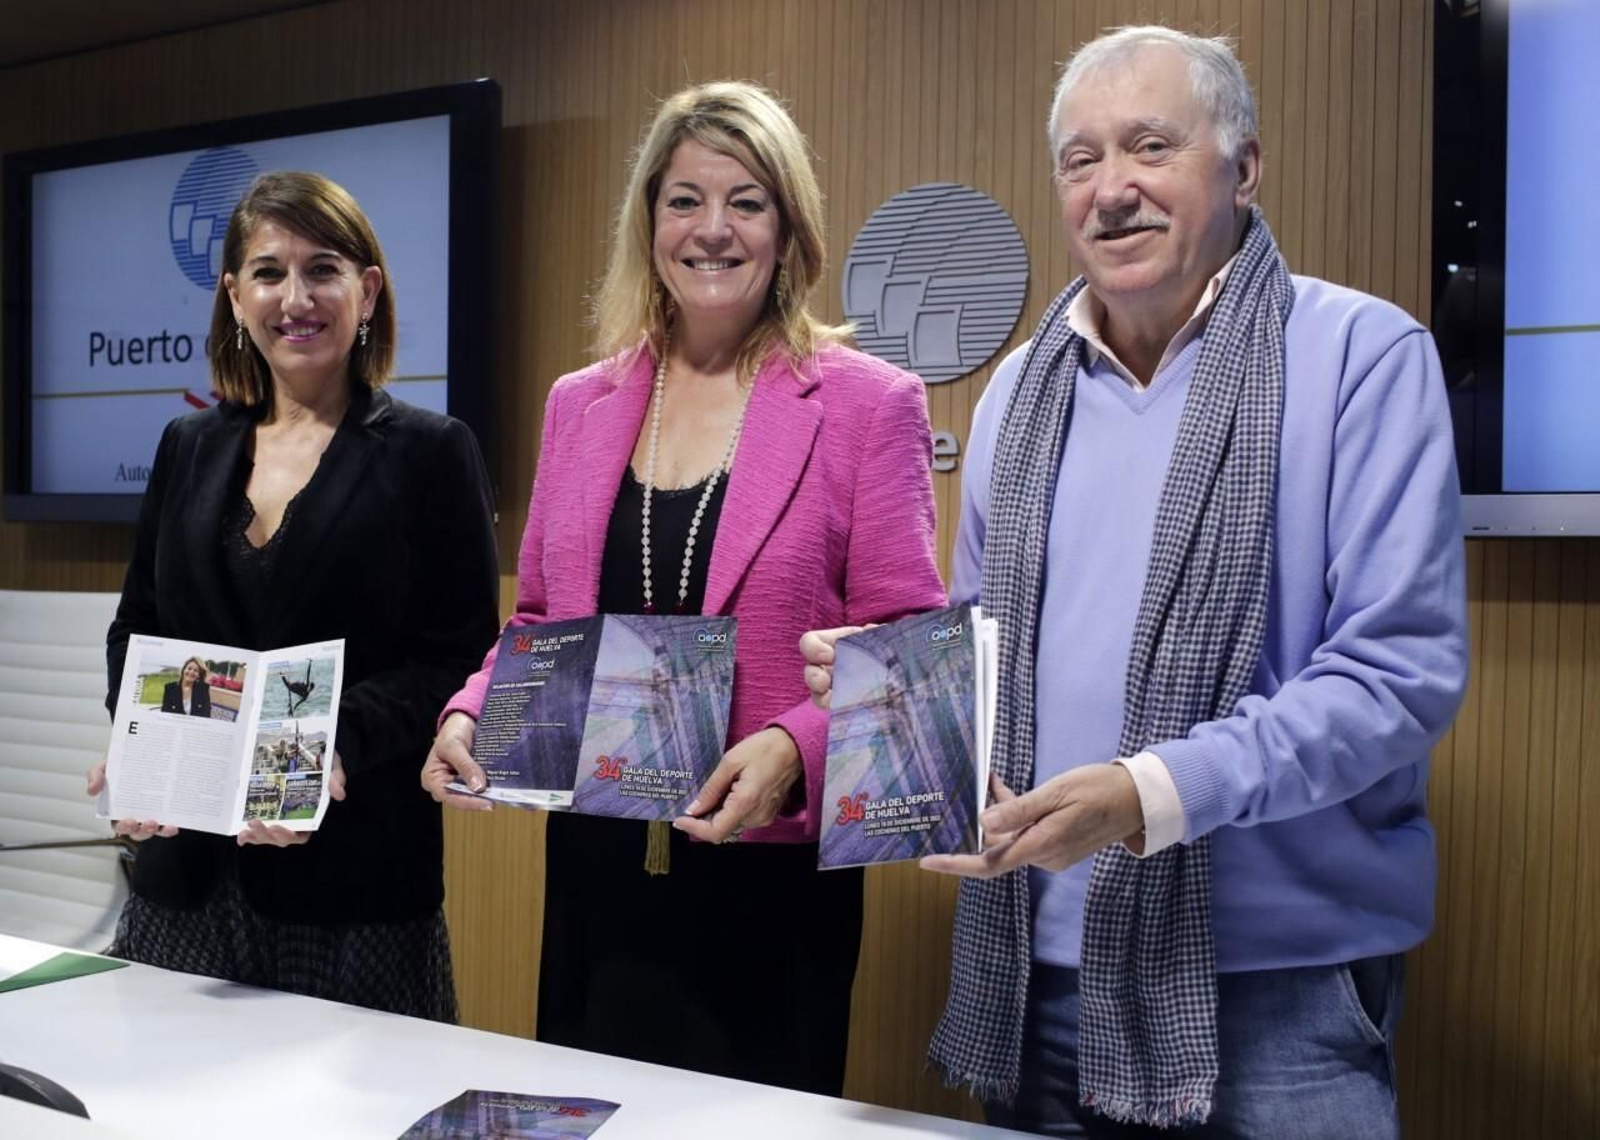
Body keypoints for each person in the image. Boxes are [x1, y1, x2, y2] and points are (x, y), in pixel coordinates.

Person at [802, 26, 1468, 1138]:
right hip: (1038, 964)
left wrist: (1149, 793)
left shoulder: (1361, 355)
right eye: (1079, 159)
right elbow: (983, 638)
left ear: (1242, 168)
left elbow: (1394, 678)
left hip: (1280, 995)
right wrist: (897, 693)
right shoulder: (1021, 385)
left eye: (1150, 147)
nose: (1111, 190)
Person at [421, 81, 945, 1095]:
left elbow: (913, 643)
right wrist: (472, 709)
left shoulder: (867, 404)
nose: (713, 229)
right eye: (684, 200)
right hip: (596, 873)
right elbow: (538, 620)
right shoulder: (582, 403)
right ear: (648, 222)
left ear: (787, 229)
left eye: (746, 201)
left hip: (769, 878)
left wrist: (799, 743)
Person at [90, 171, 498, 1020]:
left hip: (354, 892)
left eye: (324, 269)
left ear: (368, 291)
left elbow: (455, 660)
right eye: (270, 272)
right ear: (235, 297)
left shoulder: (431, 452)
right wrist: (149, 745)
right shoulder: (187, 445)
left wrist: (306, 754)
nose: (296, 296)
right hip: (184, 889)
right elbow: (139, 628)